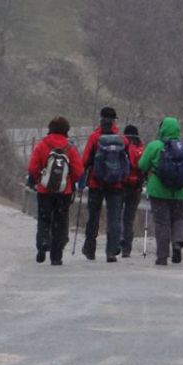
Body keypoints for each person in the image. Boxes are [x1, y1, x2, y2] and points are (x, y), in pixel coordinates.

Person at [137, 116, 183, 266]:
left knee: (162, 222)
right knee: (178, 218)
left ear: (162, 129)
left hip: (159, 191)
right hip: (182, 192)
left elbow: (142, 165)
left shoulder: (155, 146)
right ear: (177, 130)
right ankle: (177, 242)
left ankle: (162, 256)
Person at [28, 116, 84, 266]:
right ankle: (56, 256)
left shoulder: (42, 145)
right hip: (63, 192)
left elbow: (33, 167)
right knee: (60, 221)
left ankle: (42, 244)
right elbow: (78, 172)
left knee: (44, 218)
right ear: (66, 130)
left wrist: (39, 179)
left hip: (44, 190)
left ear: (50, 128)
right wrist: (69, 181)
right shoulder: (70, 148)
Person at [80, 106, 127, 262]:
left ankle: (90, 249)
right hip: (116, 185)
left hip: (96, 182)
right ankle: (111, 251)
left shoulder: (94, 137)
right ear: (114, 120)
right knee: (114, 218)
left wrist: (82, 176)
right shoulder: (122, 139)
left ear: (101, 119)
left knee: (93, 217)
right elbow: (128, 162)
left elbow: (85, 160)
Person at [119, 124, 145, 258]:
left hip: (121, 185)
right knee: (129, 217)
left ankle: (118, 240)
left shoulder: (121, 146)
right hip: (136, 187)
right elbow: (144, 167)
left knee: (117, 215)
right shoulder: (141, 148)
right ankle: (126, 248)